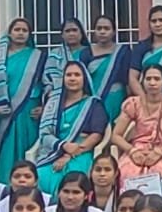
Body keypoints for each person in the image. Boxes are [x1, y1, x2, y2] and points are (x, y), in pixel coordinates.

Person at [0, 18, 47, 182]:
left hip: (29, 111)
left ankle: (30, 188)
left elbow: (48, 84)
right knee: (6, 154)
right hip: (4, 114)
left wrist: (45, 107)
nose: (20, 33)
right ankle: (6, 188)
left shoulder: (38, 57)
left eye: (24, 30)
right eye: (17, 30)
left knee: (28, 152)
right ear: (9, 33)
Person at [35, 61, 109, 196]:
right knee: (41, 174)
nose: (72, 78)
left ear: (84, 78)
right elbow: (44, 134)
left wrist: (69, 154)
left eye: (77, 75)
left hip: (80, 151)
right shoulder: (53, 104)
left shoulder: (93, 104)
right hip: (53, 152)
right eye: (69, 75)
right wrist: (62, 146)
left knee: (70, 175)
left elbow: (96, 135)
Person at [110, 63, 162, 181]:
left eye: (156, 79)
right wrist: (132, 151)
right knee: (125, 171)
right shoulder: (134, 103)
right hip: (138, 151)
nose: (152, 83)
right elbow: (115, 135)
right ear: (142, 82)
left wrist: (160, 151)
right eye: (148, 79)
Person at [81, 14, 133, 135]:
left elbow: (127, 80)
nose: (102, 32)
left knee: (114, 132)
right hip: (92, 99)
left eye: (106, 28)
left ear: (114, 32)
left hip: (116, 99)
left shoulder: (123, 52)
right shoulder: (86, 53)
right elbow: (82, 79)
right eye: (99, 28)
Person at [42, 17, 91, 103]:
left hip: (86, 98)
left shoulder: (90, 52)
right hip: (58, 99)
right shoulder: (55, 54)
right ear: (62, 35)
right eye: (67, 31)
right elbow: (48, 79)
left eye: (74, 30)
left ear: (81, 33)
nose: (71, 33)